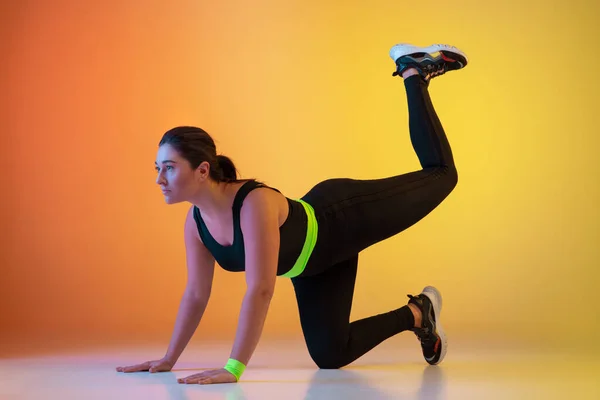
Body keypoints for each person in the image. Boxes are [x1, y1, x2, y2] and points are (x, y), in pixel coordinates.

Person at [116, 43, 468, 385]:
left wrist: (234, 367)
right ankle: (419, 314)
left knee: (441, 175)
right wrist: (168, 359)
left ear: (203, 170)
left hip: (343, 217)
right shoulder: (195, 224)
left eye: (169, 168)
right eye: (157, 168)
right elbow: (196, 294)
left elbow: (261, 289)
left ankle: (413, 72)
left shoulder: (253, 204)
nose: (159, 179)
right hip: (312, 268)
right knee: (330, 355)